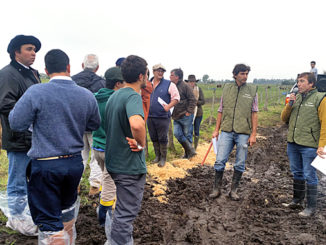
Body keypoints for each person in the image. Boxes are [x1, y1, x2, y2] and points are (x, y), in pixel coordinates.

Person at [9, 49, 100, 244]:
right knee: (67, 211)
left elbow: (16, 123)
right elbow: (94, 125)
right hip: (74, 163)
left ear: (46, 70)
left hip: (46, 165)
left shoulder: (36, 92)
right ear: (68, 67)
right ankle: (68, 240)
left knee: (50, 223)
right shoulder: (86, 95)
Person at [0, 34, 41, 235]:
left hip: (33, 137)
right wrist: (31, 115)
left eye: (34, 50)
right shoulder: (8, 74)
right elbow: (5, 104)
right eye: (29, 49)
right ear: (16, 52)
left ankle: (26, 214)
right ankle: (16, 218)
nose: (33, 53)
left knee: (32, 178)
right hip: (18, 136)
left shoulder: (33, 73)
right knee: (17, 180)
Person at [104, 55, 147, 245]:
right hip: (128, 166)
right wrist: (141, 144)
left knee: (120, 209)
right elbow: (137, 124)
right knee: (125, 214)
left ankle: (113, 240)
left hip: (114, 162)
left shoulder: (115, 95)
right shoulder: (132, 96)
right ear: (141, 75)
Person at [210, 64, 258, 201]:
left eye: (247, 73)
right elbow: (220, 110)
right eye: (242, 73)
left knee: (240, 162)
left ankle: (234, 191)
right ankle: (216, 189)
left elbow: (254, 113)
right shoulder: (227, 89)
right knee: (220, 160)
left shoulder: (252, 90)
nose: (245, 76)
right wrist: (216, 130)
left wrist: (253, 134)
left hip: (243, 131)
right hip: (226, 130)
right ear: (235, 74)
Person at [281, 72, 326, 217]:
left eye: (302, 81)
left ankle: (311, 207)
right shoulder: (296, 98)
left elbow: (325, 124)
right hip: (293, 142)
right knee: (297, 172)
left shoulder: (321, 99)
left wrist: (321, 145)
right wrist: (290, 104)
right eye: (298, 81)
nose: (298, 84)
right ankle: (297, 200)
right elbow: (284, 118)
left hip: (309, 144)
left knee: (309, 175)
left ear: (311, 84)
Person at [92, 66, 125, 226]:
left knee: (106, 178)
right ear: (118, 84)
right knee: (110, 183)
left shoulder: (95, 97)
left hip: (97, 146)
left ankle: (102, 204)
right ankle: (103, 218)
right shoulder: (117, 100)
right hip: (111, 149)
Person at [72, 54, 105, 195]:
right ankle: (95, 186)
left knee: (79, 155)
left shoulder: (72, 81)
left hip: (76, 125)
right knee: (95, 156)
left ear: (82, 65)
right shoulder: (102, 83)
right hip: (94, 124)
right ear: (97, 67)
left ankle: (75, 184)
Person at [147, 64, 180, 167]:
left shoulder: (169, 84)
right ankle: (157, 156)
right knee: (153, 137)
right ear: (153, 71)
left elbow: (176, 98)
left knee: (162, 138)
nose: (160, 73)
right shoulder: (148, 84)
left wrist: (168, 106)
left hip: (162, 116)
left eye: (162, 71)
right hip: (150, 116)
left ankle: (163, 158)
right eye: (158, 71)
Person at [171, 69, 197, 159]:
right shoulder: (171, 86)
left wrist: (189, 112)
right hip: (176, 116)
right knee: (177, 133)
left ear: (177, 77)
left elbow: (193, 99)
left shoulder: (185, 86)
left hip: (185, 115)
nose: (170, 77)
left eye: (171, 75)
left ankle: (188, 155)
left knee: (187, 134)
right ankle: (191, 151)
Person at [185, 74, 205, 150]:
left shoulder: (198, 89)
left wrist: (195, 102)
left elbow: (203, 101)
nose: (191, 83)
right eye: (190, 82)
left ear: (195, 82)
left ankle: (195, 148)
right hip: (188, 112)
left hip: (198, 113)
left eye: (193, 82)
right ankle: (189, 148)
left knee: (196, 130)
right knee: (188, 131)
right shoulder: (186, 90)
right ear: (188, 82)